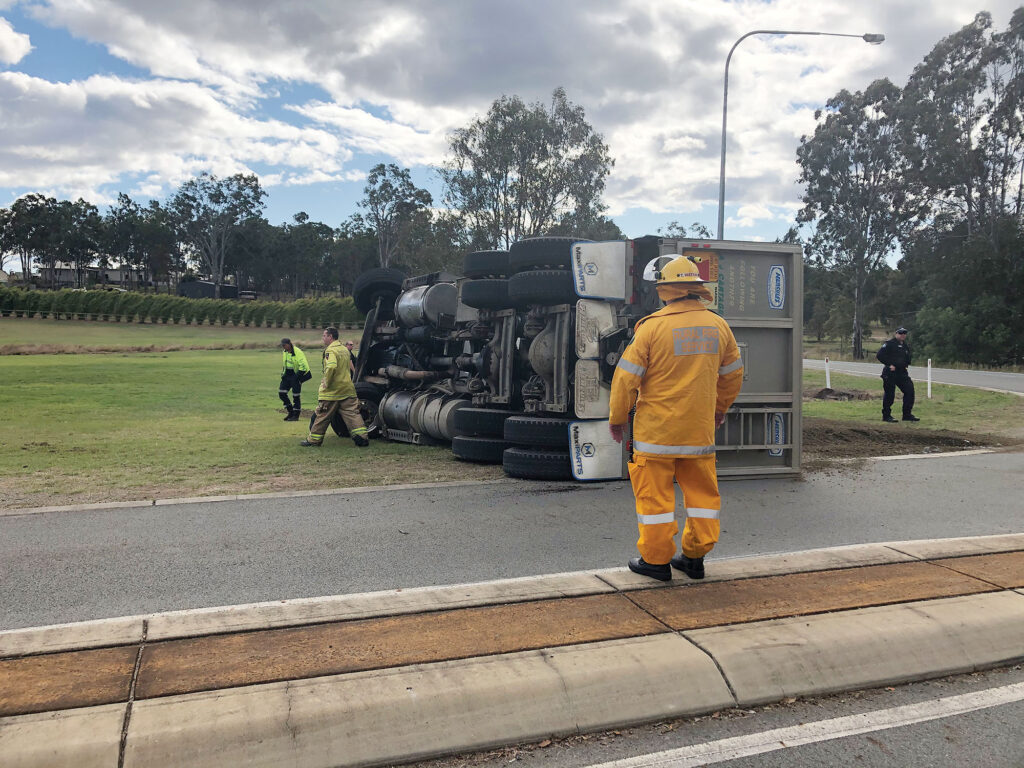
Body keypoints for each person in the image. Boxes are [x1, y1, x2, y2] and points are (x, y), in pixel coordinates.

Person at [608, 255, 744, 582]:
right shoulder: (719, 326)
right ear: (696, 289)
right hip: (698, 432)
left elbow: (626, 378)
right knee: (702, 499)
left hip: (656, 435)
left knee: (655, 500)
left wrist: (617, 418)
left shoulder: (652, 328)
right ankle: (694, 558)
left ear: (665, 290)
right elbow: (733, 376)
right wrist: (719, 410)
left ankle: (656, 562)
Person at [301, 327, 370, 447]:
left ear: (330, 337)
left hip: (333, 390)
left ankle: (314, 440)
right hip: (347, 389)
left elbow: (331, 366)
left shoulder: (331, 350)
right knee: (353, 414)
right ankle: (362, 437)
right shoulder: (344, 349)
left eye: (324, 336)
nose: (323, 338)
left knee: (323, 414)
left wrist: (326, 382)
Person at [876, 327, 919, 423]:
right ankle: (886, 416)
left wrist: (905, 365)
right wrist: (889, 364)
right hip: (890, 373)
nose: (903, 335)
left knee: (909, 391)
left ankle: (907, 414)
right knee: (890, 394)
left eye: (904, 333)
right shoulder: (890, 344)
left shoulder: (905, 346)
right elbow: (880, 355)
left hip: (902, 373)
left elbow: (907, 358)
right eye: (900, 333)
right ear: (896, 334)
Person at [278, 338, 311, 421]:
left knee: (296, 396)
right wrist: (283, 374)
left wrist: (296, 378)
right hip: (287, 375)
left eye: (285, 345)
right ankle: (291, 412)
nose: (283, 347)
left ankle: (296, 415)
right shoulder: (285, 352)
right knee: (282, 393)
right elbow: (285, 364)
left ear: (289, 344)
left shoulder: (298, 352)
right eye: (282, 346)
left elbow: (303, 366)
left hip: (297, 374)